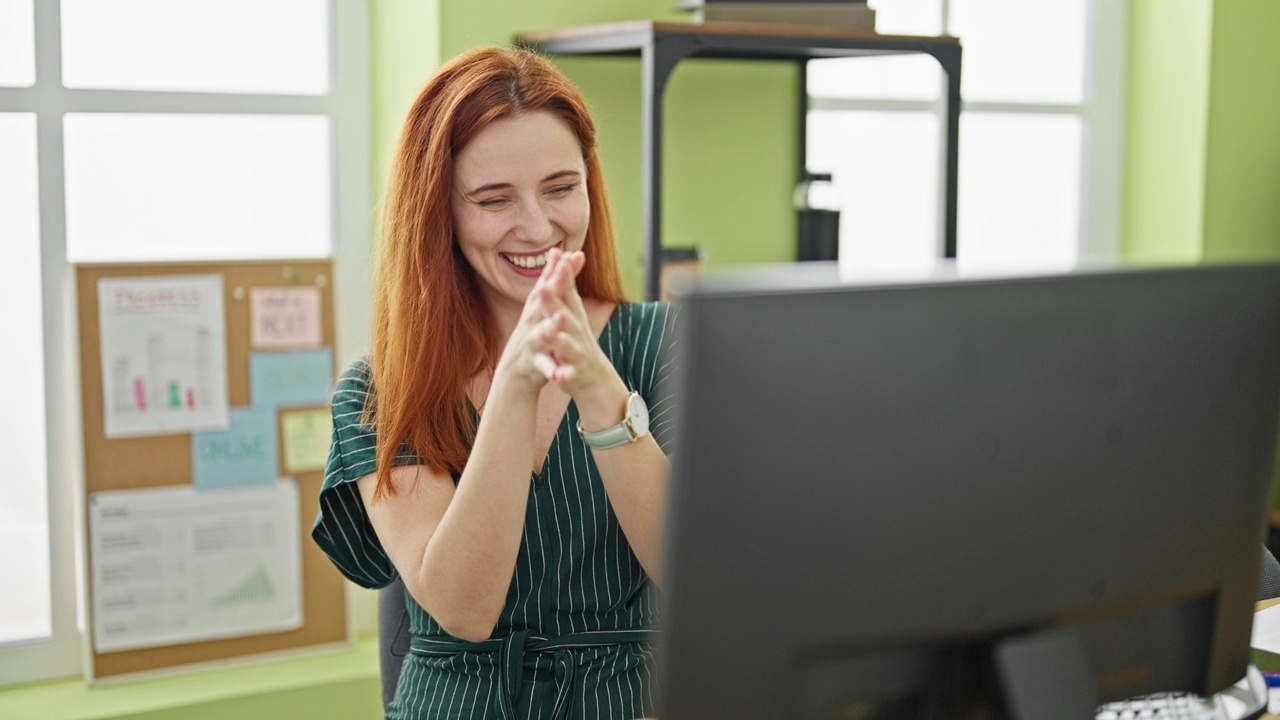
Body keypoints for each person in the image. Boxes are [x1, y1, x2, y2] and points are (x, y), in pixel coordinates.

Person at [311, 46, 680, 720]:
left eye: (561, 188)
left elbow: (694, 573)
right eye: (492, 199)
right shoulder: (380, 392)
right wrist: (514, 390)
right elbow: (464, 608)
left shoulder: (667, 345)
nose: (539, 227)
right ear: (437, 212)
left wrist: (598, 388)